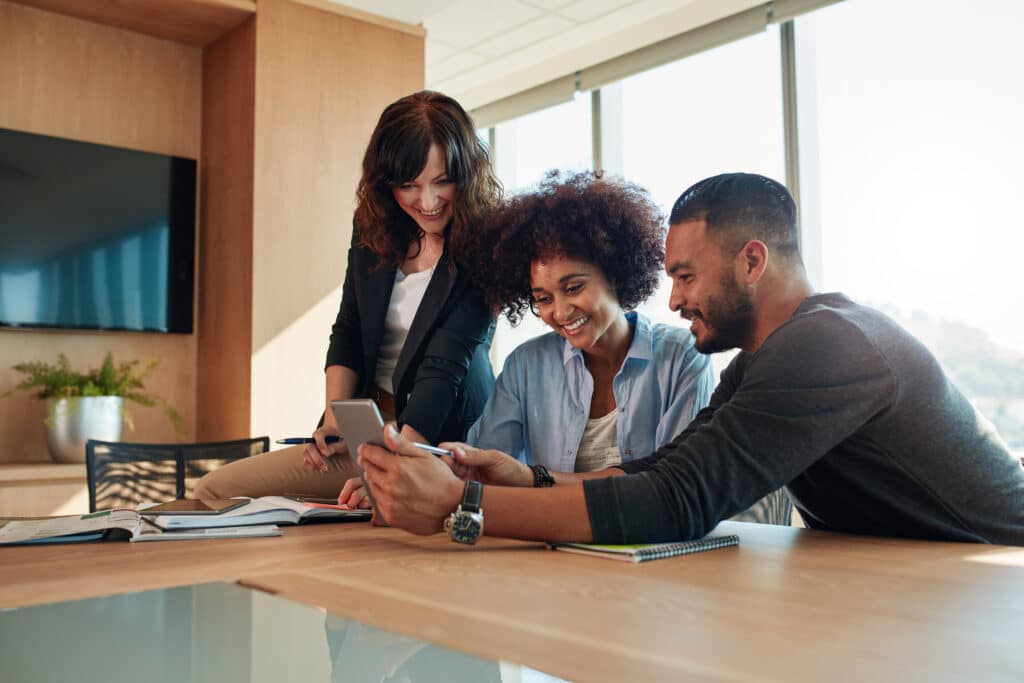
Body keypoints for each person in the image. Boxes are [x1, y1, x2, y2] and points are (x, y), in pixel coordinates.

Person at [352, 172, 1024, 546]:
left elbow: (677, 502)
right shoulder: (767, 359)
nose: (673, 300)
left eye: (687, 276)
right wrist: (526, 482)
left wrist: (465, 504)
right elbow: (662, 469)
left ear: (752, 260)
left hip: (999, 576)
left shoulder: (831, 343)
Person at [339, 171, 789, 523]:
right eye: (542, 298)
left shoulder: (680, 358)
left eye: (574, 287)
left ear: (615, 275)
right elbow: (475, 464)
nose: (559, 311)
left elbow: (669, 488)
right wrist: (410, 476)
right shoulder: (526, 367)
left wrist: (529, 482)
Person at [194, 91, 500, 500]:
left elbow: (444, 367)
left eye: (442, 181)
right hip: (368, 432)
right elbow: (350, 325)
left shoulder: (487, 244)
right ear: (386, 182)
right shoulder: (373, 226)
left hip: (439, 443)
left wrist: (398, 472)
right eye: (409, 185)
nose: (427, 202)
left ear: (466, 172)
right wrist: (336, 421)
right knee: (216, 490)